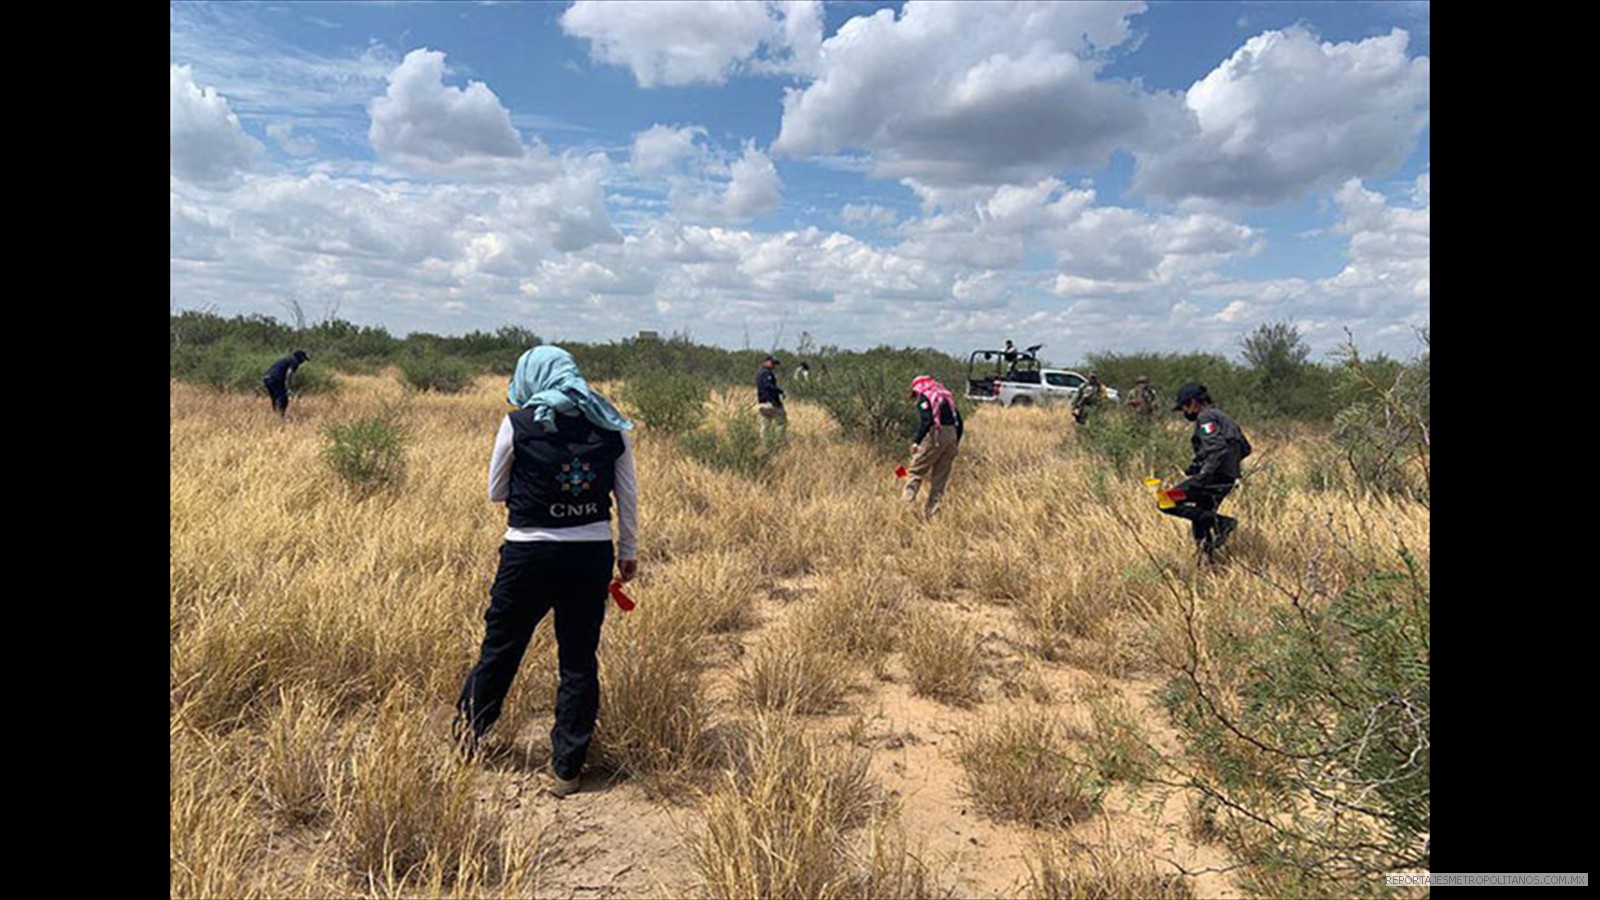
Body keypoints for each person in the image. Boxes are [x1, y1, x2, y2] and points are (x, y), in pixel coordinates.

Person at [454, 345, 639, 798]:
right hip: (590, 553)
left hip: (527, 555)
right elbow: (628, 496)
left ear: (530, 375)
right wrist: (627, 552)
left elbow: (496, 491)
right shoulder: (610, 421)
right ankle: (566, 769)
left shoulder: (519, 422)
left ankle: (467, 739)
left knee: (501, 648)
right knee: (578, 660)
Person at [1162, 381, 1251, 556]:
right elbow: (1246, 449)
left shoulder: (1206, 417)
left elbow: (1216, 447)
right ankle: (1207, 565)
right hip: (1227, 479)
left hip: (1211, 479)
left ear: (1194, 402)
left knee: (1165, 500)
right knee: (1201, 520)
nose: (1185, 412)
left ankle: (1222, 523)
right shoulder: (1224, 418)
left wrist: (1205, 473)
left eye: (1185, 406)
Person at [902, 375, 964, 518]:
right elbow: (959, 421)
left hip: (936, 435)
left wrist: (916, 442)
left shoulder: (925, 397)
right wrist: (955, 442)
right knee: (940, 479)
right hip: (952, 437)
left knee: (915, 472)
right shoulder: (947, 397)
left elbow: (927, 420)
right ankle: (933, 513)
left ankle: (905, 509)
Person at [262, 349, 309, 420]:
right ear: (300, 358)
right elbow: (289, 375)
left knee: (275, 397)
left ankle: (275, 416)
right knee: (283, 398)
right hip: (275, 379)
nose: (303, 362)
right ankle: (280, 417)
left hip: (267, 378)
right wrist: (289, 388)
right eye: (303, 360)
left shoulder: (286, 359)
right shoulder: (294, 362)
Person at [756, 354, 787, 437]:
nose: (774, 366)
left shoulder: (759, 372)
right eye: (772, 363)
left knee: (765, 425)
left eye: (775, 364)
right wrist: (780, 391)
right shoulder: (767, 373)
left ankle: (765, 444)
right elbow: (768, 385)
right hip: (770, 402)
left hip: (761, 402)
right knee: (781, 421)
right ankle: (779, 441)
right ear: (766, 362)